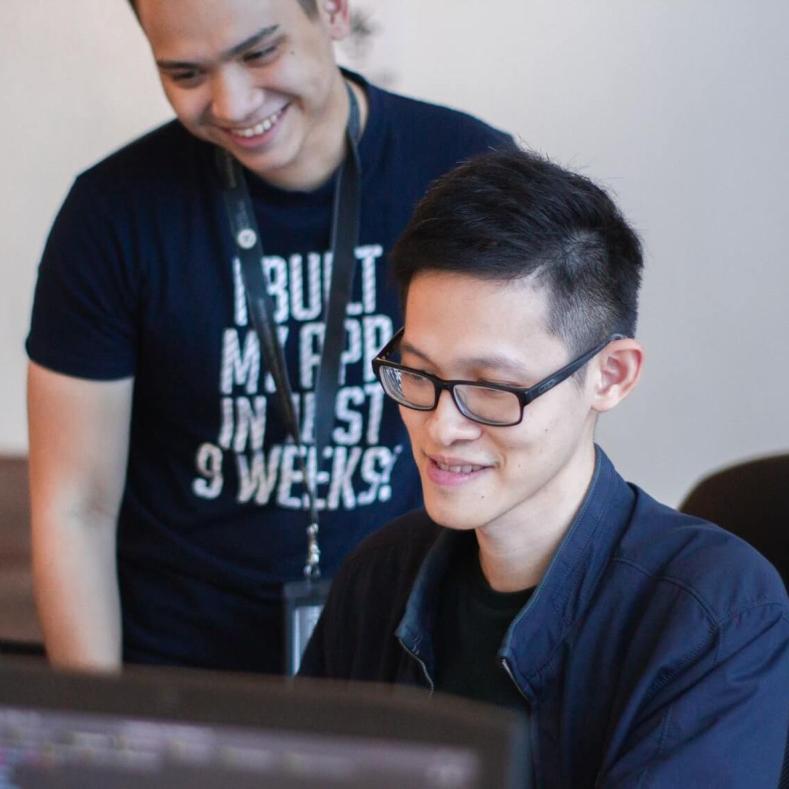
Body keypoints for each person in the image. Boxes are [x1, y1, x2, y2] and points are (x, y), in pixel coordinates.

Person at [25, 0, 511, 674]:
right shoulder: (112, 213)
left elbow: (520, 436)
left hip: (412, 649)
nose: (231, 102)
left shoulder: (467, 171)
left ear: (334, 12)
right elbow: (76, 504)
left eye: (259, 53)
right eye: (186, 73)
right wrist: (100, 735)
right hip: (179, 666)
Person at [300, 149, 789, 786]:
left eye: (492, 386)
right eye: (417, 372)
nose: (442, 426)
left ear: (610, 376)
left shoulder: (715, 614)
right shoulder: (378, 577)